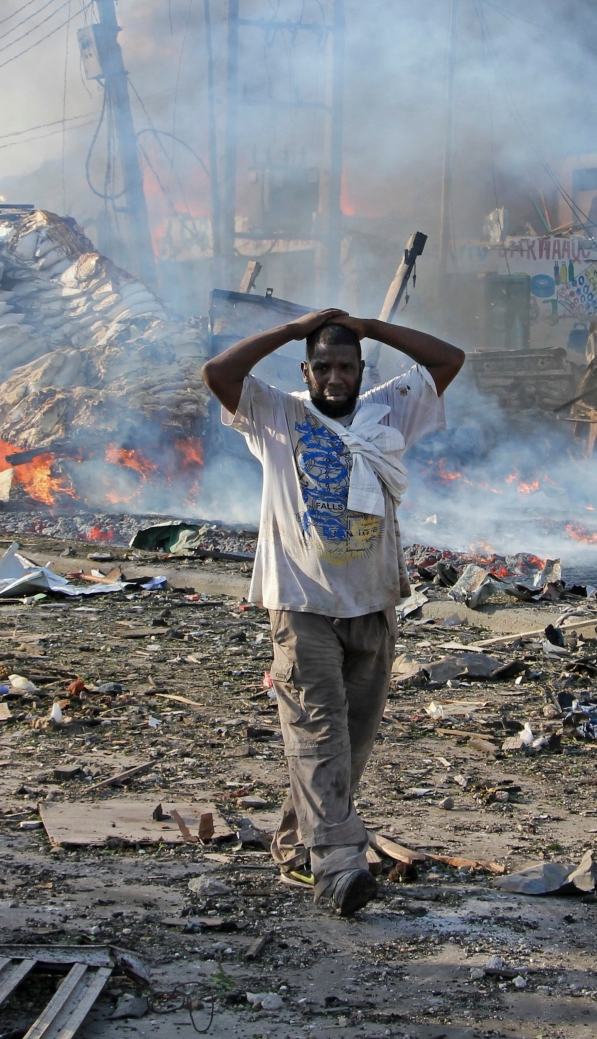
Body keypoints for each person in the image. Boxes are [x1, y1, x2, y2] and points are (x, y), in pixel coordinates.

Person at [202, 307, 464, 918]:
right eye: (323, 367)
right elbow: (218, 371)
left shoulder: (386, 409)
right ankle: (338, 866)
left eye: (346, 365)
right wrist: (296, 327)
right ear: (307, 370)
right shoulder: (277, 413)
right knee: (319, 736)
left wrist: (372, 327)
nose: (335, 377)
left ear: (360, 368)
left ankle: (298, 841)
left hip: (372, 605)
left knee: (349, 746)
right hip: (301, 606)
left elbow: (448, 360)